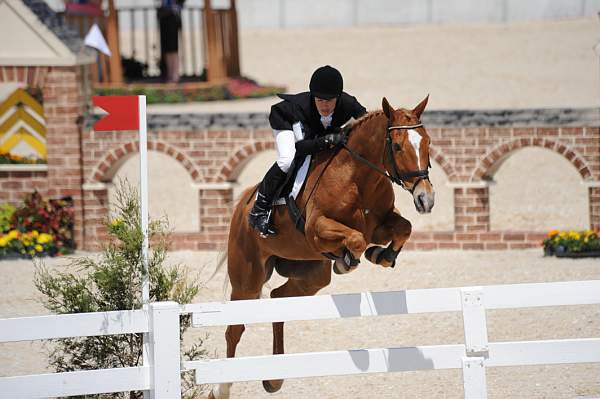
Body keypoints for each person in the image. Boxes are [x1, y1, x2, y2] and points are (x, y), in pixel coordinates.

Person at [248, 65, 367, 237]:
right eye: (320, 100)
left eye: (330, 101)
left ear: (338, 98)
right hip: (286, 122)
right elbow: (301, 148)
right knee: (287, 159)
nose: (324, 106)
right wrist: (326, 140)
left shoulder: (349, 103)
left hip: (316, 132)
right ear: (313, 97)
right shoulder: (301, 110)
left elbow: (368, 123)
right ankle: (259, 210)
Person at [158, 0, 184, 83]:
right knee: (167, 49)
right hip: (164, 20)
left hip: (173, 21)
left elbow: (180, 4)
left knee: (173, 49)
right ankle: (169, 75)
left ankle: (175, 75)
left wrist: (175, 7)